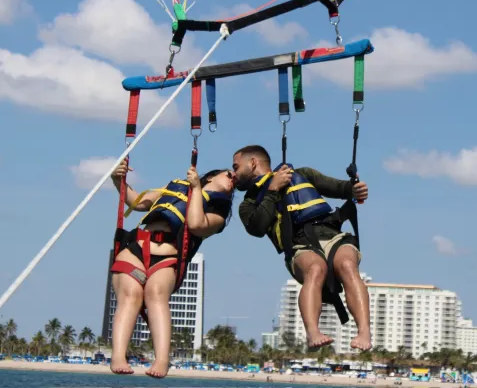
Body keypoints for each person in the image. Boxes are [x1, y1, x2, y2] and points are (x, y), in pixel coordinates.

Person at [231, 145, 371, 351]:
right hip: (299, 245)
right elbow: (257, 228)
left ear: (252, 163)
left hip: (332, 234)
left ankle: (364, 331)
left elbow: (342, 189)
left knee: (348, 265)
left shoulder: (303, 174)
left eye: (236, 167)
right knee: (316, 269)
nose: (233, 174)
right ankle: (313, 332)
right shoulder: (248, 203)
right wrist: (272, 190)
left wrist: (356, 189)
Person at [108, 159, 234, 377]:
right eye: (229, 174)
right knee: (130, 296)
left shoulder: (218, 213)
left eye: (236, 180)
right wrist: (117, 178)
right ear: (212, 176)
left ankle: (162, 360)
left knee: (156, 294)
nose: (234, 179)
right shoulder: (175, 188)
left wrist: (196, 189)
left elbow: (195, 224)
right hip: (136, 250)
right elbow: (137, 203)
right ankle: (118, 355)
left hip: (167, 258)